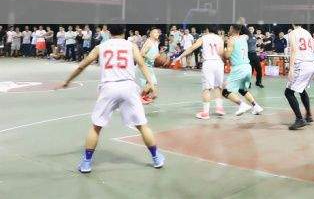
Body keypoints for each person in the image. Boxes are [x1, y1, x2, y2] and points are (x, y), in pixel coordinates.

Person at [59, 23, 164, 173]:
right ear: (124, 31)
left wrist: (67, 81)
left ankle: (86, 163)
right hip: (128, 87)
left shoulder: (101, 47)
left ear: (108, 32)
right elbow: (142, 64)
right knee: (142, 125)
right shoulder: (131, 45)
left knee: (96, 127)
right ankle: (156, 158)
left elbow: (82, 66)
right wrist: (151, 84)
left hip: (108, 88)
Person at [173, 26, 226, 120]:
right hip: (219, 63)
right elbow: (221, 53)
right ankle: (219, 108)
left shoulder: (204, 37)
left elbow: (192, 48)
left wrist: (180, 56)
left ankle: (205, 113)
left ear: (207, 30)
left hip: (208, 63)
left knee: (206, 89)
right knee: (218, 86)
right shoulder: (220, 38)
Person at [221, 24, 264, 116]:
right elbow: (248, 33)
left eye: (230, 28)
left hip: (239, 68)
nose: (229, 30)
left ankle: (242, 105)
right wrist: (241, 26)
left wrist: (222, 51)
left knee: (225, 91)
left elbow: (227, 56)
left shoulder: (231, 40)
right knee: (242, 89)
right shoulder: (244, 37)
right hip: (247, 67)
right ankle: (256, 106)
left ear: (232, 29)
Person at [285, 23, 314, 130]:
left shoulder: (292, 33)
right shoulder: (307, 33)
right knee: (302, 89)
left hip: (302, 64)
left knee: (288, 92)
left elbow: (294, 50)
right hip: (312, 63)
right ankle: (308, 115)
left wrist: (291, 68)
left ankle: (299, 119)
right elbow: (313, 49)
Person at [139, 28, 161, 105]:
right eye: (155, 32)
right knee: (150, 84)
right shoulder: (149, 42)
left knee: (154, 94)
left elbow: (155, 54)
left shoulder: (156, 43)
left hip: (149, 66)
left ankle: (144, 96)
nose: (157, 34)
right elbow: (141, 53)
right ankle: (139, 98)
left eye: (158, 32)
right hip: (145, 66)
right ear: (150, 34)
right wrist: (150, 58)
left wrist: (157, 55)